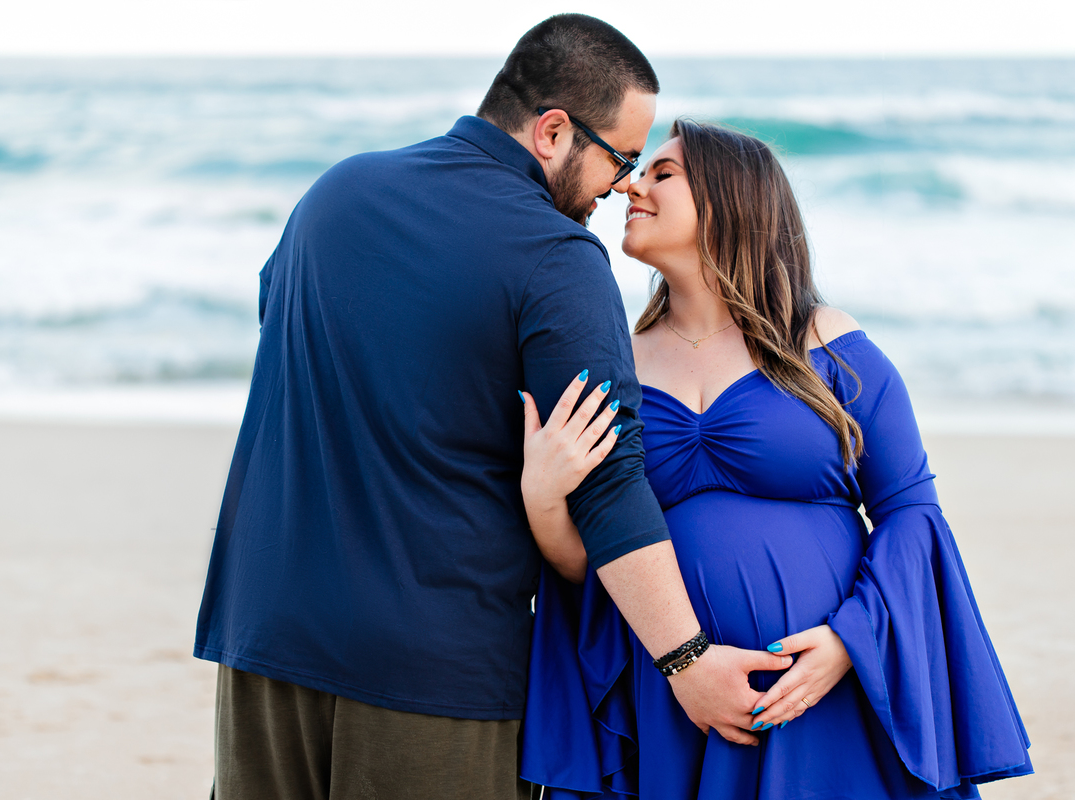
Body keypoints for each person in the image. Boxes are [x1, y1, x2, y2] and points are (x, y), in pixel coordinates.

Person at [194, 18, 789, 800]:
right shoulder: (556, 256)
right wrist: (686, 660)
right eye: (620, 157)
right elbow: (609, 480)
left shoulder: (334, 192)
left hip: (264, 630)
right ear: (553, 132)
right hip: (431, 666)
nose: (622, 185)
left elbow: (284, 328)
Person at [517, 120, 1033, 799]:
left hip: (822, 689)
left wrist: (851, 641)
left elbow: (911, 511)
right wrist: (542, 499)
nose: (632, 185)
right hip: (674, 692)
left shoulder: (828, 344)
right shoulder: (619, 364)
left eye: (663, 174)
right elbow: (590, 566)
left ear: (733, 198)